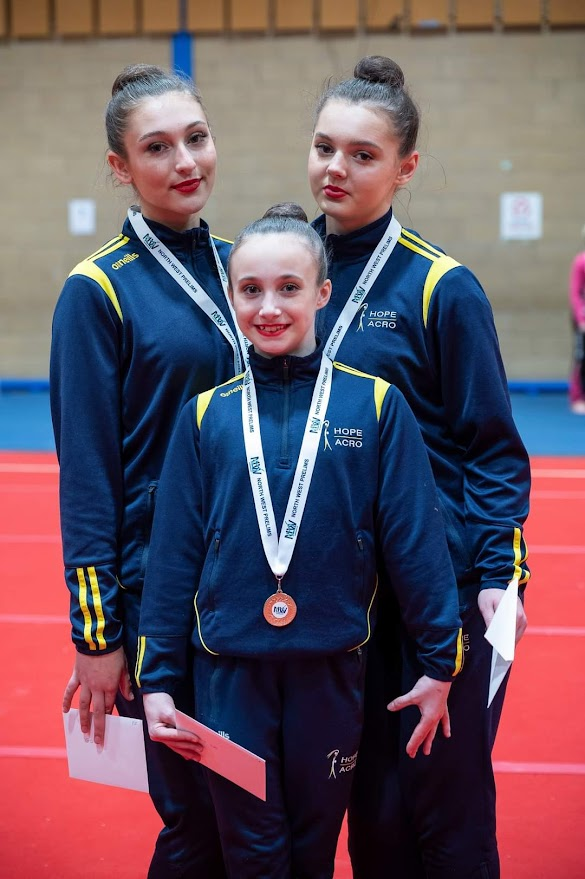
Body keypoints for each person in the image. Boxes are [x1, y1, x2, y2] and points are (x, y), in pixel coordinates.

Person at [135, 203, 464, 879]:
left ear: (321, 293)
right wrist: (159, 678)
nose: (269, 306)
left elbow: (414, 541)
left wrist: (439, 660)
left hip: (331, 672)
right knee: (251, 853)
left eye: (288, 287)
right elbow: (172, 559)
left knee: (312, 854)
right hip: (228, 675)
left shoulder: (374, 405)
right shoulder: (206, 413)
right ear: (231, 296)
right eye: (250, 289)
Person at [307, 56, 531, 879]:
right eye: (325, 147)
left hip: (439, 595)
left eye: (362, 155)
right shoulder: (292, 279)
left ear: (404, 167)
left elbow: (493, 449)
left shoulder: (443, 287)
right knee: (370, 811)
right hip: (340, 598)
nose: (336, 168)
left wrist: (491, 588)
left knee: (446, 807)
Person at [49, 63, 248, 877]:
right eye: (157, 148)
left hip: (254, 580)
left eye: (195, 138)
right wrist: (97, 635)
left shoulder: (249, 267)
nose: (184, 161)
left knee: (258, 811)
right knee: (197, 819)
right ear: (120, 168)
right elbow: (87, 475)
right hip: (159, 599)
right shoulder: (96, 292)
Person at [569, 225, 585, 414]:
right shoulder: (581, 262)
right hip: (583, 318)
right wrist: (580, 318)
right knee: (581, 355)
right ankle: (577, 395)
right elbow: (575, 293)